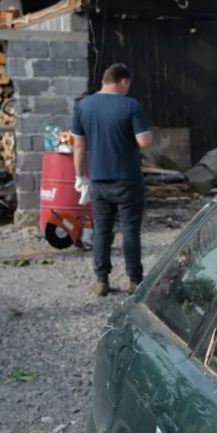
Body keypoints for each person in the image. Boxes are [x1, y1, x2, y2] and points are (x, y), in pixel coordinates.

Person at [70, 63, 153, 297]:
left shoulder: (83, 106)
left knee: (102, 231)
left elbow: (78, 145)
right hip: (127, 180)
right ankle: (135, 280)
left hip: (98, 180)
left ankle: (102, 281)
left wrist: (79, 177)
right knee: (130, 230)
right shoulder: (131, 106)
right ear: (123, 82)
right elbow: (144, 142)